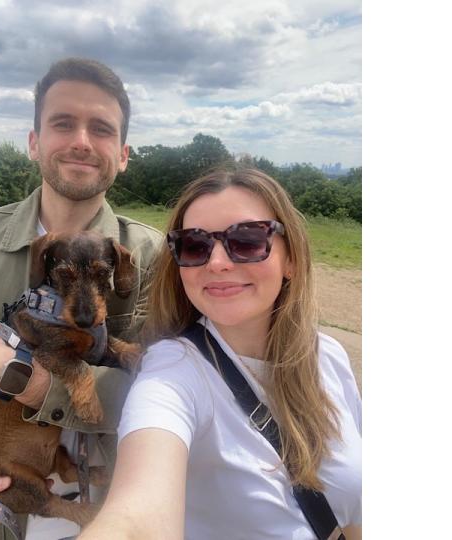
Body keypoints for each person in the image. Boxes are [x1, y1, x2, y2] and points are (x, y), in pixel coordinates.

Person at [0, 57, 164, 540]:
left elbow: (172, 396)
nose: (81, 140)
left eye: (100, 128)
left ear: (122, 153)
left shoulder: (155, 257)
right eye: (62, 123)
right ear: (34, 143)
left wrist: (25, 380)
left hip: (111, 518)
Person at [79, 167, 363, 540]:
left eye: (246, 240)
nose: (216, 262)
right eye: (194, 246)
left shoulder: (329, 356)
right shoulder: (174, 372)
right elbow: (135, 520)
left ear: (290, 259)